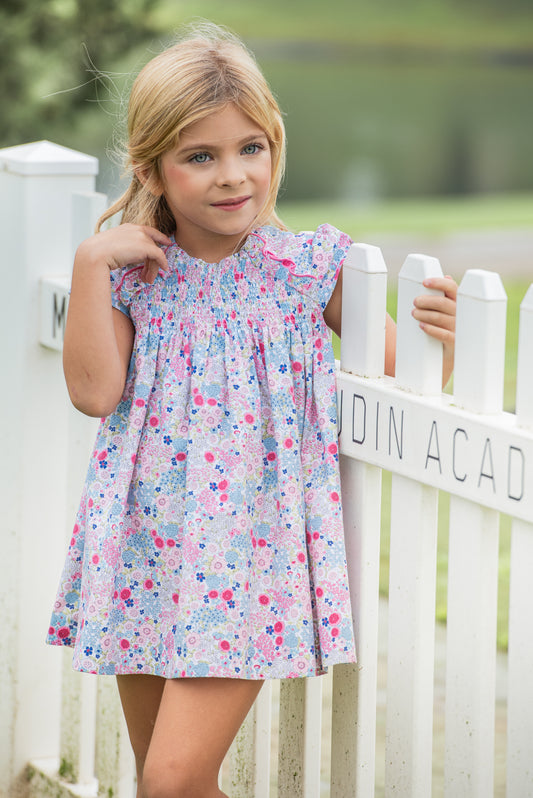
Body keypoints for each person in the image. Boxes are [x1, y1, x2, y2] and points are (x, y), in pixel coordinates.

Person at [47, 22, 457, 798]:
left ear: (273, 146)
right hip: (145, 552)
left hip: (248, 561)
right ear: (152, 169)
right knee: (165, 784)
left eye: (250, 149)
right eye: (200, 156)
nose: (232, 176)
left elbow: (407, 378)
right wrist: (91, 260)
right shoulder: (138, 280)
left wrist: (449, 336)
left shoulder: (306, 269)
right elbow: (95, 394)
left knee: (170, 781)